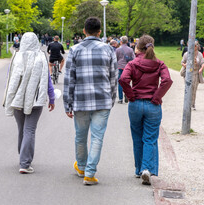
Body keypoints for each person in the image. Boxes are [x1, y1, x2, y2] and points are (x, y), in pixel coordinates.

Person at [63, 17, 118, 185]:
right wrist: (112, 99)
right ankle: (90, 172)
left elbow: (69, 79)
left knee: (80, 136)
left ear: (84, 31)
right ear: (99, 31)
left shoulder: (74, 50)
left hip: (81, 100)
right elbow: (113, 78)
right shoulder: (109, 50)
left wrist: (68, 103)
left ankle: (81, 166)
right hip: (102, 101)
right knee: (97, 137)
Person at [119, 35, 172, 185]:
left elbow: (123, 79)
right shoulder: (159, 64)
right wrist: (157, 96)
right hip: (153, 105)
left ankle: (139, 169)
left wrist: (130, 95)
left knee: (137, 136)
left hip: (135, 104)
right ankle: (147, 168)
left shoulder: (133, 64)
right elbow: (167, 80)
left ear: (138, 48)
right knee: (150, 138)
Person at [3, 32, 55, 174]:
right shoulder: (41, 58)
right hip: (35, 100)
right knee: (29, 129)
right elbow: (47, 80)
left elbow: (10, 80)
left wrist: (9, 97)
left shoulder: (15, 58)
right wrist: (51, 98)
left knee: (22, 128)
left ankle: (23, 157)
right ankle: (25, 163)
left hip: (17, 100)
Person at [181, 41, 204, 110]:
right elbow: (182, 62)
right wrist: (186, 66)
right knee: (188, 89)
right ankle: (187, 104)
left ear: (197, 47)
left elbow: (203, 63)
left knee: (194, 89)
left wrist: (201, 69)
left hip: (196, 73)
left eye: (194, 46)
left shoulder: (199, 54)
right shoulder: (187, 54)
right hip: (188, 73)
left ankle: (193, 104)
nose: (192, 47)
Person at [116, 36, 135, 104]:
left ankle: (120, 99)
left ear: (121, 42)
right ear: (127, 41)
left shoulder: (118, 50)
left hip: (120, 67)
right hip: (128, 68)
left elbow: (116, 59)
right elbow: (133, 58)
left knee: (120, 83)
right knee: (127, 82)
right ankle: (127, 94)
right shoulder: (130, 49)